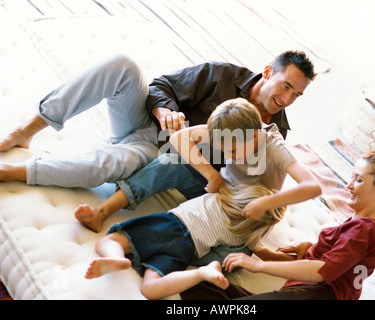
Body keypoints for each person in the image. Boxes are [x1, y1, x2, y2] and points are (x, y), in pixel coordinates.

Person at [0, 51, 316, 188]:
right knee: (124, 65)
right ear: (267, 73)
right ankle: (27, 131)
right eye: (286, 86)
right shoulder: (221, 74)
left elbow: (242, 178)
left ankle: (16, 172)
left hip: (163, 156)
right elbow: (159, 86)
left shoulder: (275, 131)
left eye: (296, 96)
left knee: (111, 166)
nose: (286, 100)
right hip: (140, 118)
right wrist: (164, 111)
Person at [180, 150, 375, 300]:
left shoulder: (364, 230)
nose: (348, 185)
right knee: (198, 286)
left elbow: (322, 271)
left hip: (317, 295)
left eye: (358, 180)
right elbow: (339, 261)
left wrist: (256, 265)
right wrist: (313, 249)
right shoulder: (365, 228)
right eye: (351, 176)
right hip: (305, 292)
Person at [75, 98, 322, 234]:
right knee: (172, 160)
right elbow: (178, 137)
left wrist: (264, 203)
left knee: (215, 247)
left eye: (233, 151)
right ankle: (102, 212)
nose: (228, 155)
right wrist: (212, 175)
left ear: (255, 135)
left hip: (247, 212)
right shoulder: (229, 129)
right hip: (221, 192)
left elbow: (313, 187)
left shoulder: (275, 147)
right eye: (222, 148)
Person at [84, 183, 293, 300]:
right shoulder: (242, 235)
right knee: (150, 288)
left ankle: (116, 257)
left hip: (169, 225)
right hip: (187, 249)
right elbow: (259, 248)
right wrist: (284, 258)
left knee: (111, 240)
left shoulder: (218, 194)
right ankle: (201, 272)